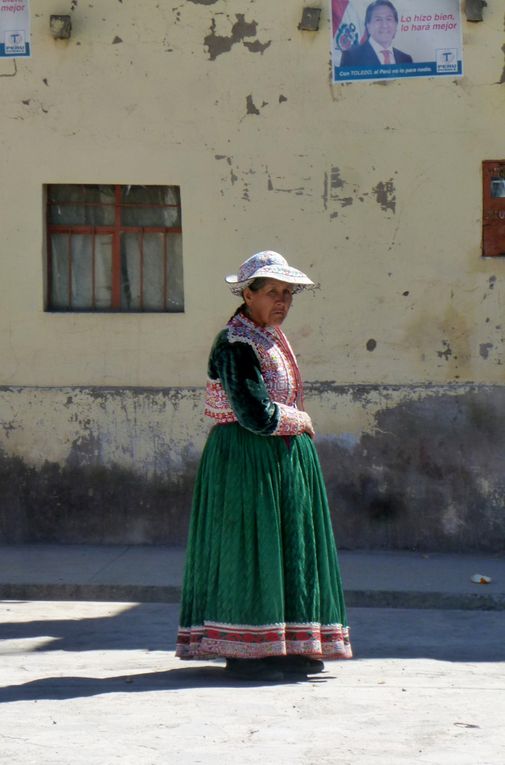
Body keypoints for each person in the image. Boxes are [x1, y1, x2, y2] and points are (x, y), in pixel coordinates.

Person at [176, 251, 352, 681]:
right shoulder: (235, 342)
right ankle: (246, 650)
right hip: (246, 460)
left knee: (287, 550)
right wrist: (302, 421)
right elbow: (254, 412)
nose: (282, 302)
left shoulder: (271, 336)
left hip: (280, 462)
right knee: (253, 551)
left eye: (288, 294)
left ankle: (289, 645)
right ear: (247, 294)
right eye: (272, 292)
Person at [340, 0, 412, 67]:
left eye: (389, 19)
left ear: (396, 24)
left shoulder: (406, 59)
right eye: (378, 19)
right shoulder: (351, 57)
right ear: (368, 26)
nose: (384, 25)